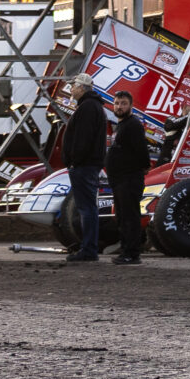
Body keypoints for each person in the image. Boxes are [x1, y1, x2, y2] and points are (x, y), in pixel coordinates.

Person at [59, 81, 107, 264]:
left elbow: (83, 139)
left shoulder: (87, 108)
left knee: (86, 208)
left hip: (84, 165)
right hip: (87, 164)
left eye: (74, 86)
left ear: (82, 88)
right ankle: (89, 248)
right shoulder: (92, 106)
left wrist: (74, 161)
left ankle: (88, 249)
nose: (71, 89)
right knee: (88, 207)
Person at [107, 97, 149, 266]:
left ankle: (132, 253)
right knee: (122, 217)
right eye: (117, 103)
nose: (119, 106)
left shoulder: (133, 125)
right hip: (119, 179)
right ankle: (126, 250)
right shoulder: (121, 125)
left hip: (129, 179)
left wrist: (142, 168)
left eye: (123, 103)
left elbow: (141, 150)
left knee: (130, 217)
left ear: (131, 106)